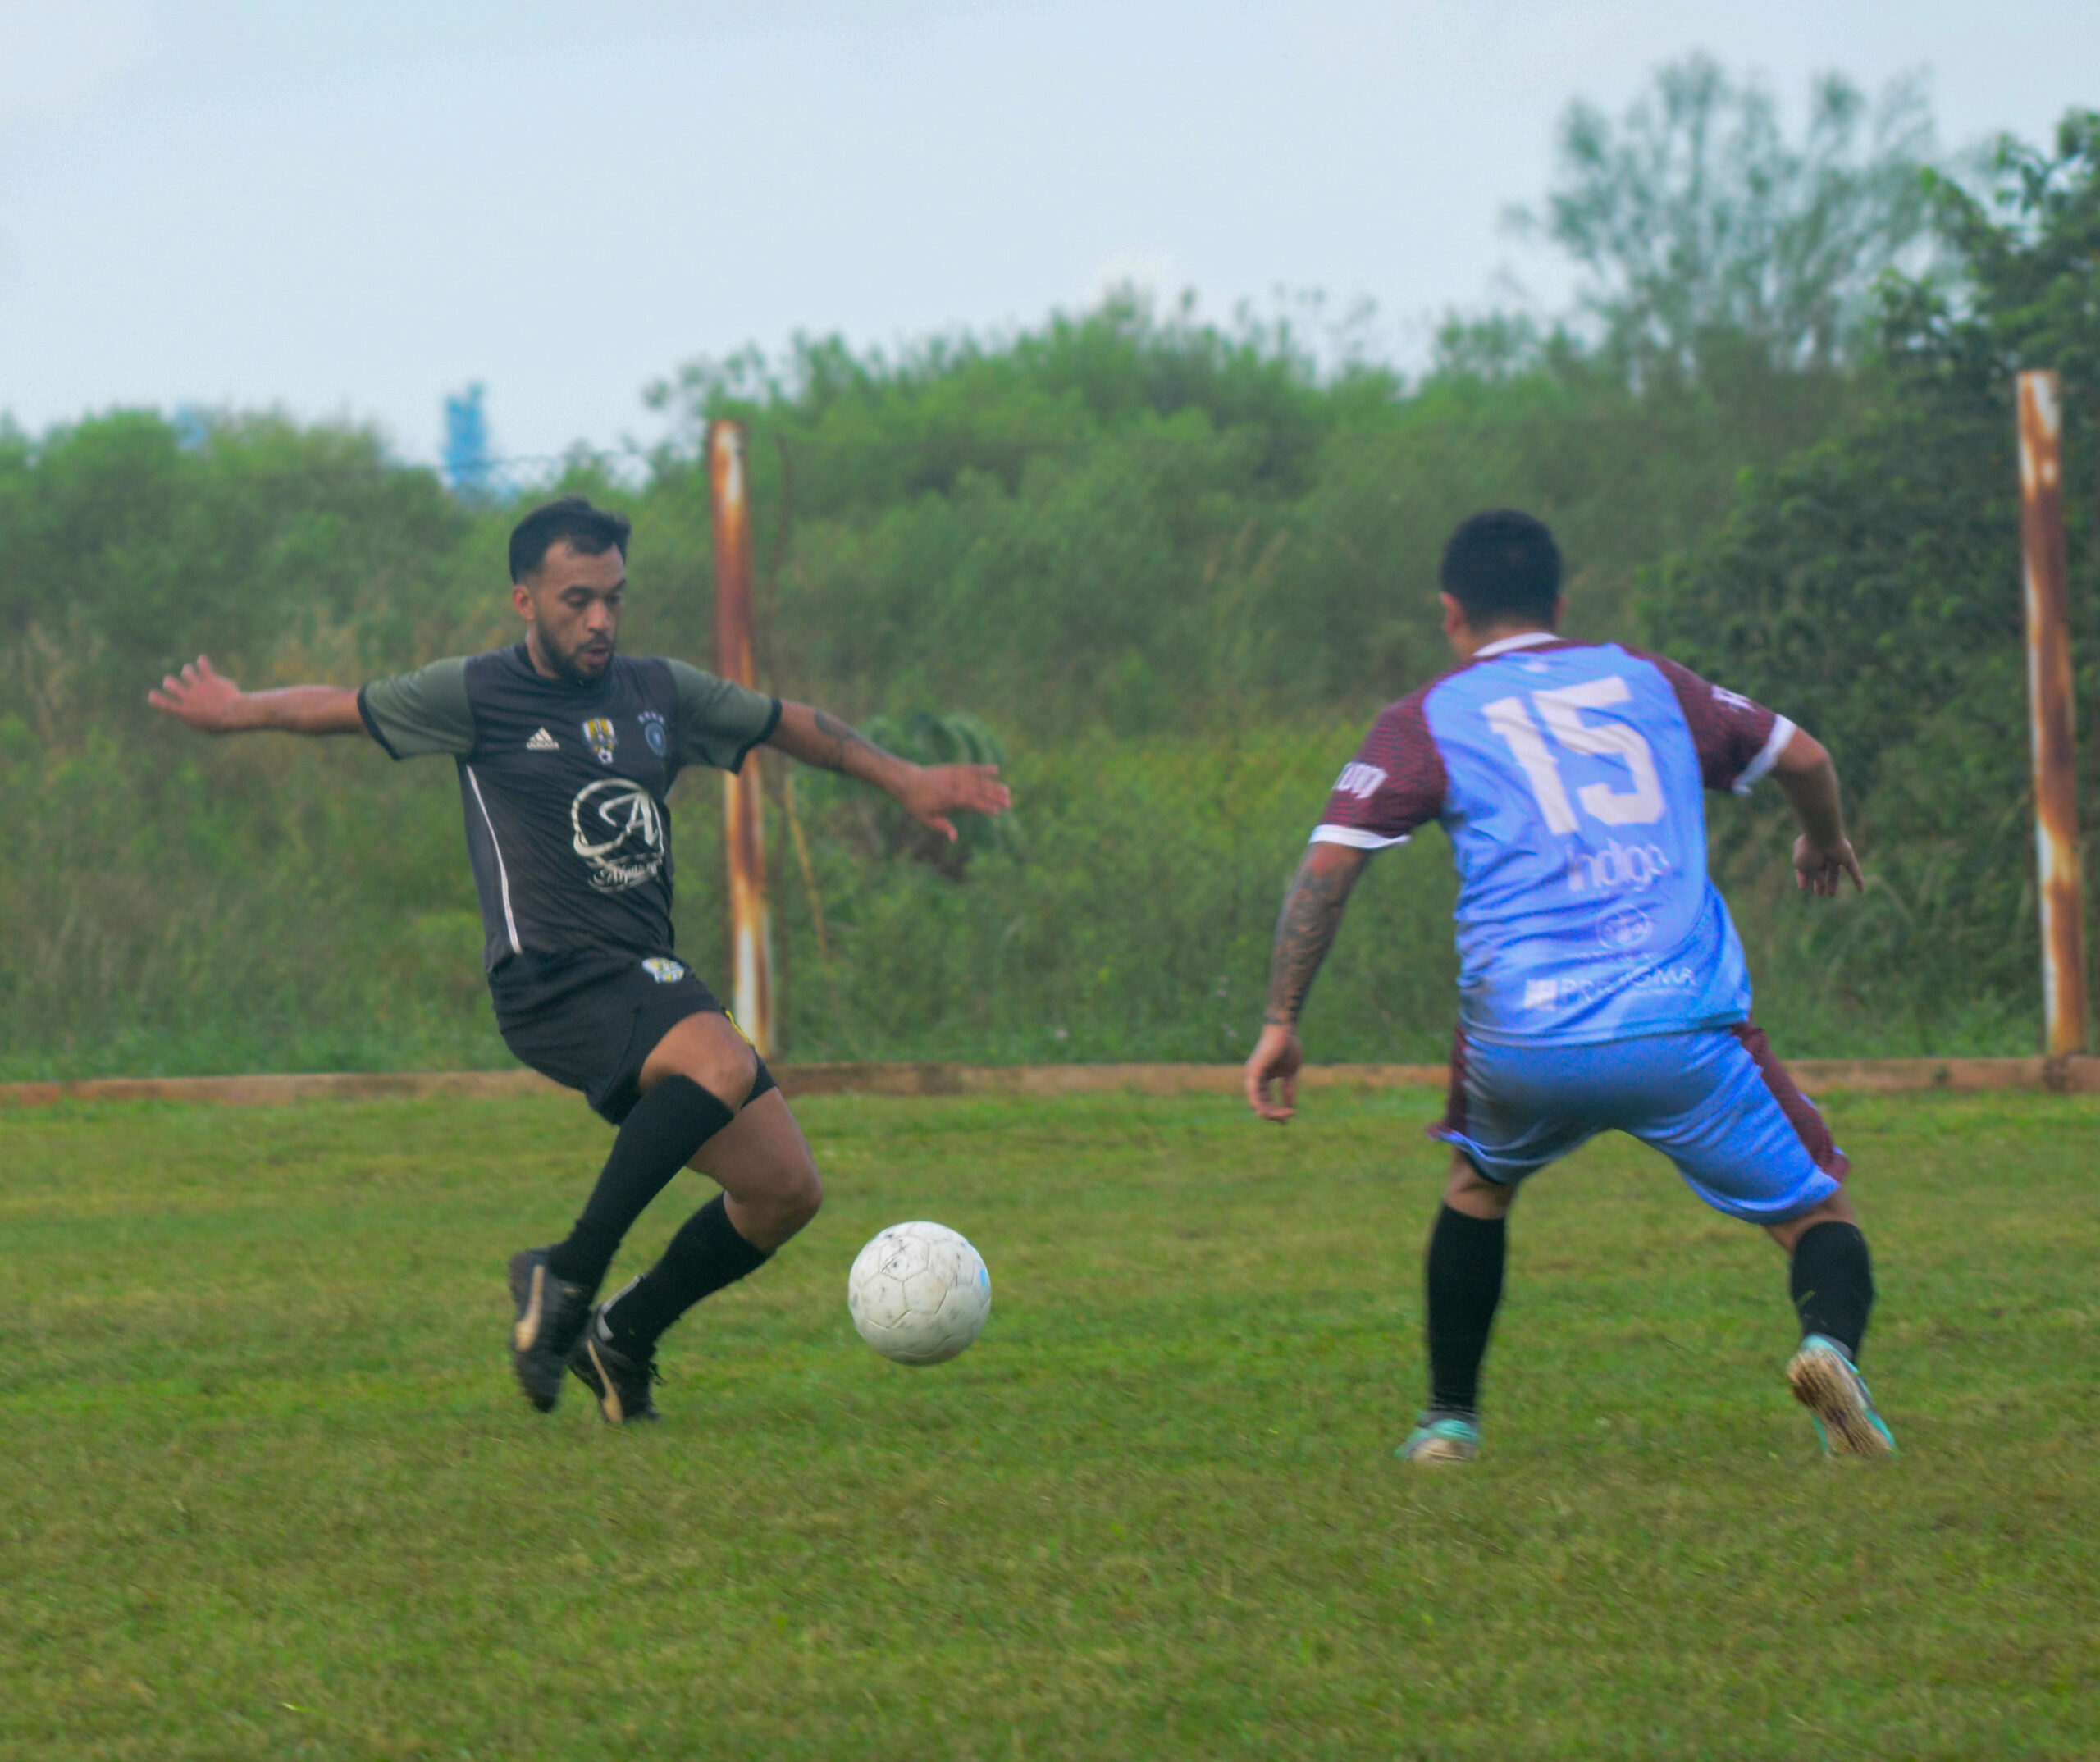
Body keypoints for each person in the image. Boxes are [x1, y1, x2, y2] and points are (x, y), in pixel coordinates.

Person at [151, 495, 1010, 1424]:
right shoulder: (475, 694)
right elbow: (338, 707)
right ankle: (564, 1274)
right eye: (577, 600)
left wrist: (906, 777)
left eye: (613, 597)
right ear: (525, 599)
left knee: (782, 1191)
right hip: (551, 979)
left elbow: (784, 721)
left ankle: (622, 1337)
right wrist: (236, 711)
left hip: (640, 975)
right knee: (720, 1061)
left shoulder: (658, 692)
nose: (600, 619)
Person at [1241, 509, 1894, 1465]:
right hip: (1680, 1027)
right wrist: (1822, 839)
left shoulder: (1424, 718)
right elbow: (1805, 757)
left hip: (1523, 1042)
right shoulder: (1650, 682)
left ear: (1450, 611)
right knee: (1816, 1215)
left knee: (1477, 1186)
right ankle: (1827, 1352)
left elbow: (1328, 867)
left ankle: (1448, 1424)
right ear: (1560, 602)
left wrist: (1280, 1020)